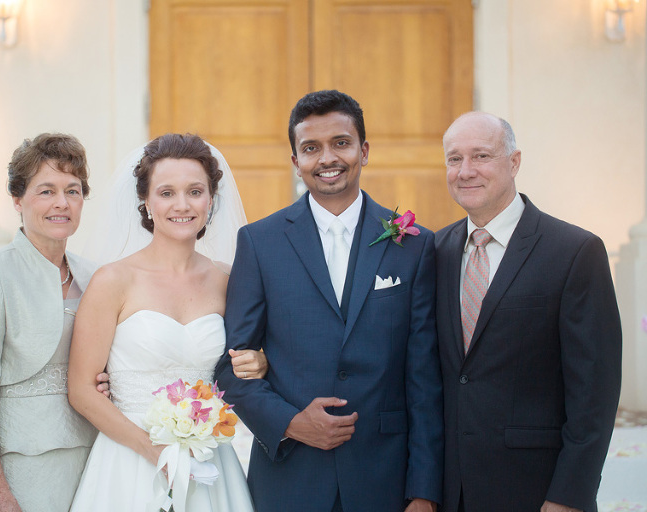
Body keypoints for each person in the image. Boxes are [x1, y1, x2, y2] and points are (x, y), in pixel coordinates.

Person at [215, 90, 444, 512]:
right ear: (295, 161)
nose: (327, 158)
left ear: (364, 150)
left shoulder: (414, 245)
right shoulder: (259, 243)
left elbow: (425, 377)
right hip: (291, 478)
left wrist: (424, 490)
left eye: (341, 143)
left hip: (387, 480)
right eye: (310, 148)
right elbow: (233, 367)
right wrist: (291, 423)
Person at [67, 133, 267, 511]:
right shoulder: (113, 281)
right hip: (129, 460)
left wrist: (262, 362)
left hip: (209, 461)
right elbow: (81, 389)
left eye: (195, 191)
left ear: (211, 199)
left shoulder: (229, 281)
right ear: (145, 200)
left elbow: (247, 357)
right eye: (166, 192)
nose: (182, 205)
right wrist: (153, 450)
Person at [435, 112, 622, 512]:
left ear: (514, 162)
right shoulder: (435, 252)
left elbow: (595, 394)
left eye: (481, 156)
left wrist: (569, 495)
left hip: (536, 490)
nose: (465, 171)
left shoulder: (574, 251)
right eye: (454, 159)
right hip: (451, 491)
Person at [0, 133, 102, 511]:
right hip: (21, 470)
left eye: (73, 190)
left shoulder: (96, 276)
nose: (61, 203)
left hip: (94, 460)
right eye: (46, 191)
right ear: (18, 199)